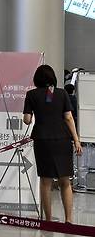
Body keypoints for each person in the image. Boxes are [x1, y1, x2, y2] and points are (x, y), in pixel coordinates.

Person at [23, 65, 82, 223]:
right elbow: (68, 117)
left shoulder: (31, 94)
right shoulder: (62, 93)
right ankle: (68, 220)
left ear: (36, 78)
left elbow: (27, 120)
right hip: (62, 139)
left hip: (42, 140)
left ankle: (48, 220)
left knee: (45, 182)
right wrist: (76, 140)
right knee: (65, 181)